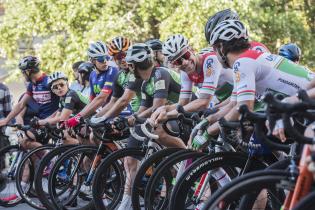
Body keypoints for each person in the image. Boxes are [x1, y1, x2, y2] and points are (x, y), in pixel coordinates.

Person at [191, 19, 313, 150]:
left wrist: (208, 133)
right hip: (302, 106)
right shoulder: (248, 59)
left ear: (221, 48)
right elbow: (233, 104)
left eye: (214, 49)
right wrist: (208, 120)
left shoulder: (243, 63)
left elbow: (244, 107)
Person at [0, 56, 59, 202]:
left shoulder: (49, 81)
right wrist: (7, 120)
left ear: (28, 71)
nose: (21, 75)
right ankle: (22, 193)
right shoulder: (32, 85)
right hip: (38, 123)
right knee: (29, 158)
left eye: (22, 72)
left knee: (26, 141)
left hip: (49, 122)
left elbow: (62, 103)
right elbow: (20, 105)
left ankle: (51, 160)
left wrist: (49, 120)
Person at [65, 41, 119, 128]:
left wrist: (77, 118)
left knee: (93, 136)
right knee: (82, 132)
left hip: (117, 111)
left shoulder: (112, 71)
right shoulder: (92, 75)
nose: (105, 61)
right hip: (104, 112)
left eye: (107, 57)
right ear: (92, 61)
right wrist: (78, 117)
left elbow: (102, 98)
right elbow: (92, 101)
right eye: (101, 59)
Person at [92, 36, 142, 121]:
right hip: (132, 116)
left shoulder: (139, 71)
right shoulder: (119, 76)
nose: (123, 59)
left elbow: (124, 101)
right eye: (118, 57)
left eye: (125, 55)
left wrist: (104, 118)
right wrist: (95, 117)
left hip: (146, 113)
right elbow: (113, 102)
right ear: (114, 59)